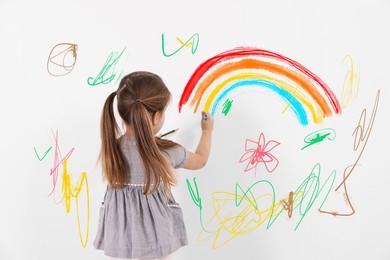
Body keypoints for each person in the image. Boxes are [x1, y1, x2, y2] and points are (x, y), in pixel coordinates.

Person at [93, 71, 214, 260]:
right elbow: (201, 160)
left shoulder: (112, 148)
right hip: (155, 245)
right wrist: (207, 131)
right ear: (156, 116)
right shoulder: (164, 152)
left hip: (121, 242)